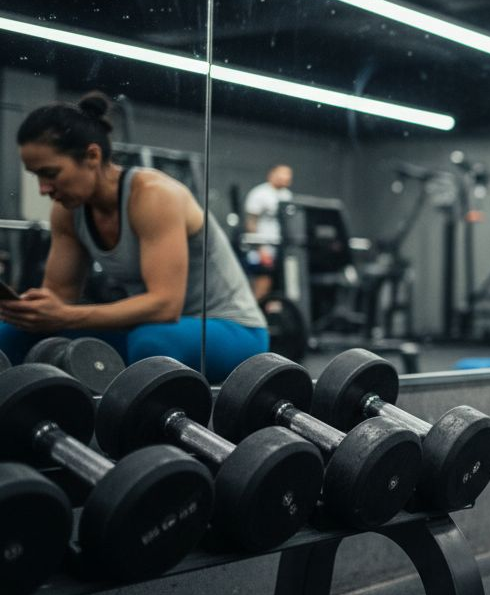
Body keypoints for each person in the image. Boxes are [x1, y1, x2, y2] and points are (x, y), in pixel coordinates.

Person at [0, 92, 269, 383]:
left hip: (231, 329)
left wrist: (63, 315)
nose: (43, 188)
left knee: (152, 343)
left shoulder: (153, 195)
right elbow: (59, 297)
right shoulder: (68, 211)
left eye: (50, 173)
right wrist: (30, 310)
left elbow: (164, 305)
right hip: (148, 326)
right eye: (36, 176)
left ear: (92, 156)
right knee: (13, 333)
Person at [243, 163, 293, 299]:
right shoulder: (260, 193)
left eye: (288, 174)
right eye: (282, 173)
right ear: (272, 174)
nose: (286, 177)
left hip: (280, 249)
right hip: (262, 249)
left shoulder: (287, 196)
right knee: (262, 282)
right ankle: (253, 315)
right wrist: (261, 249)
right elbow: (251, 222)